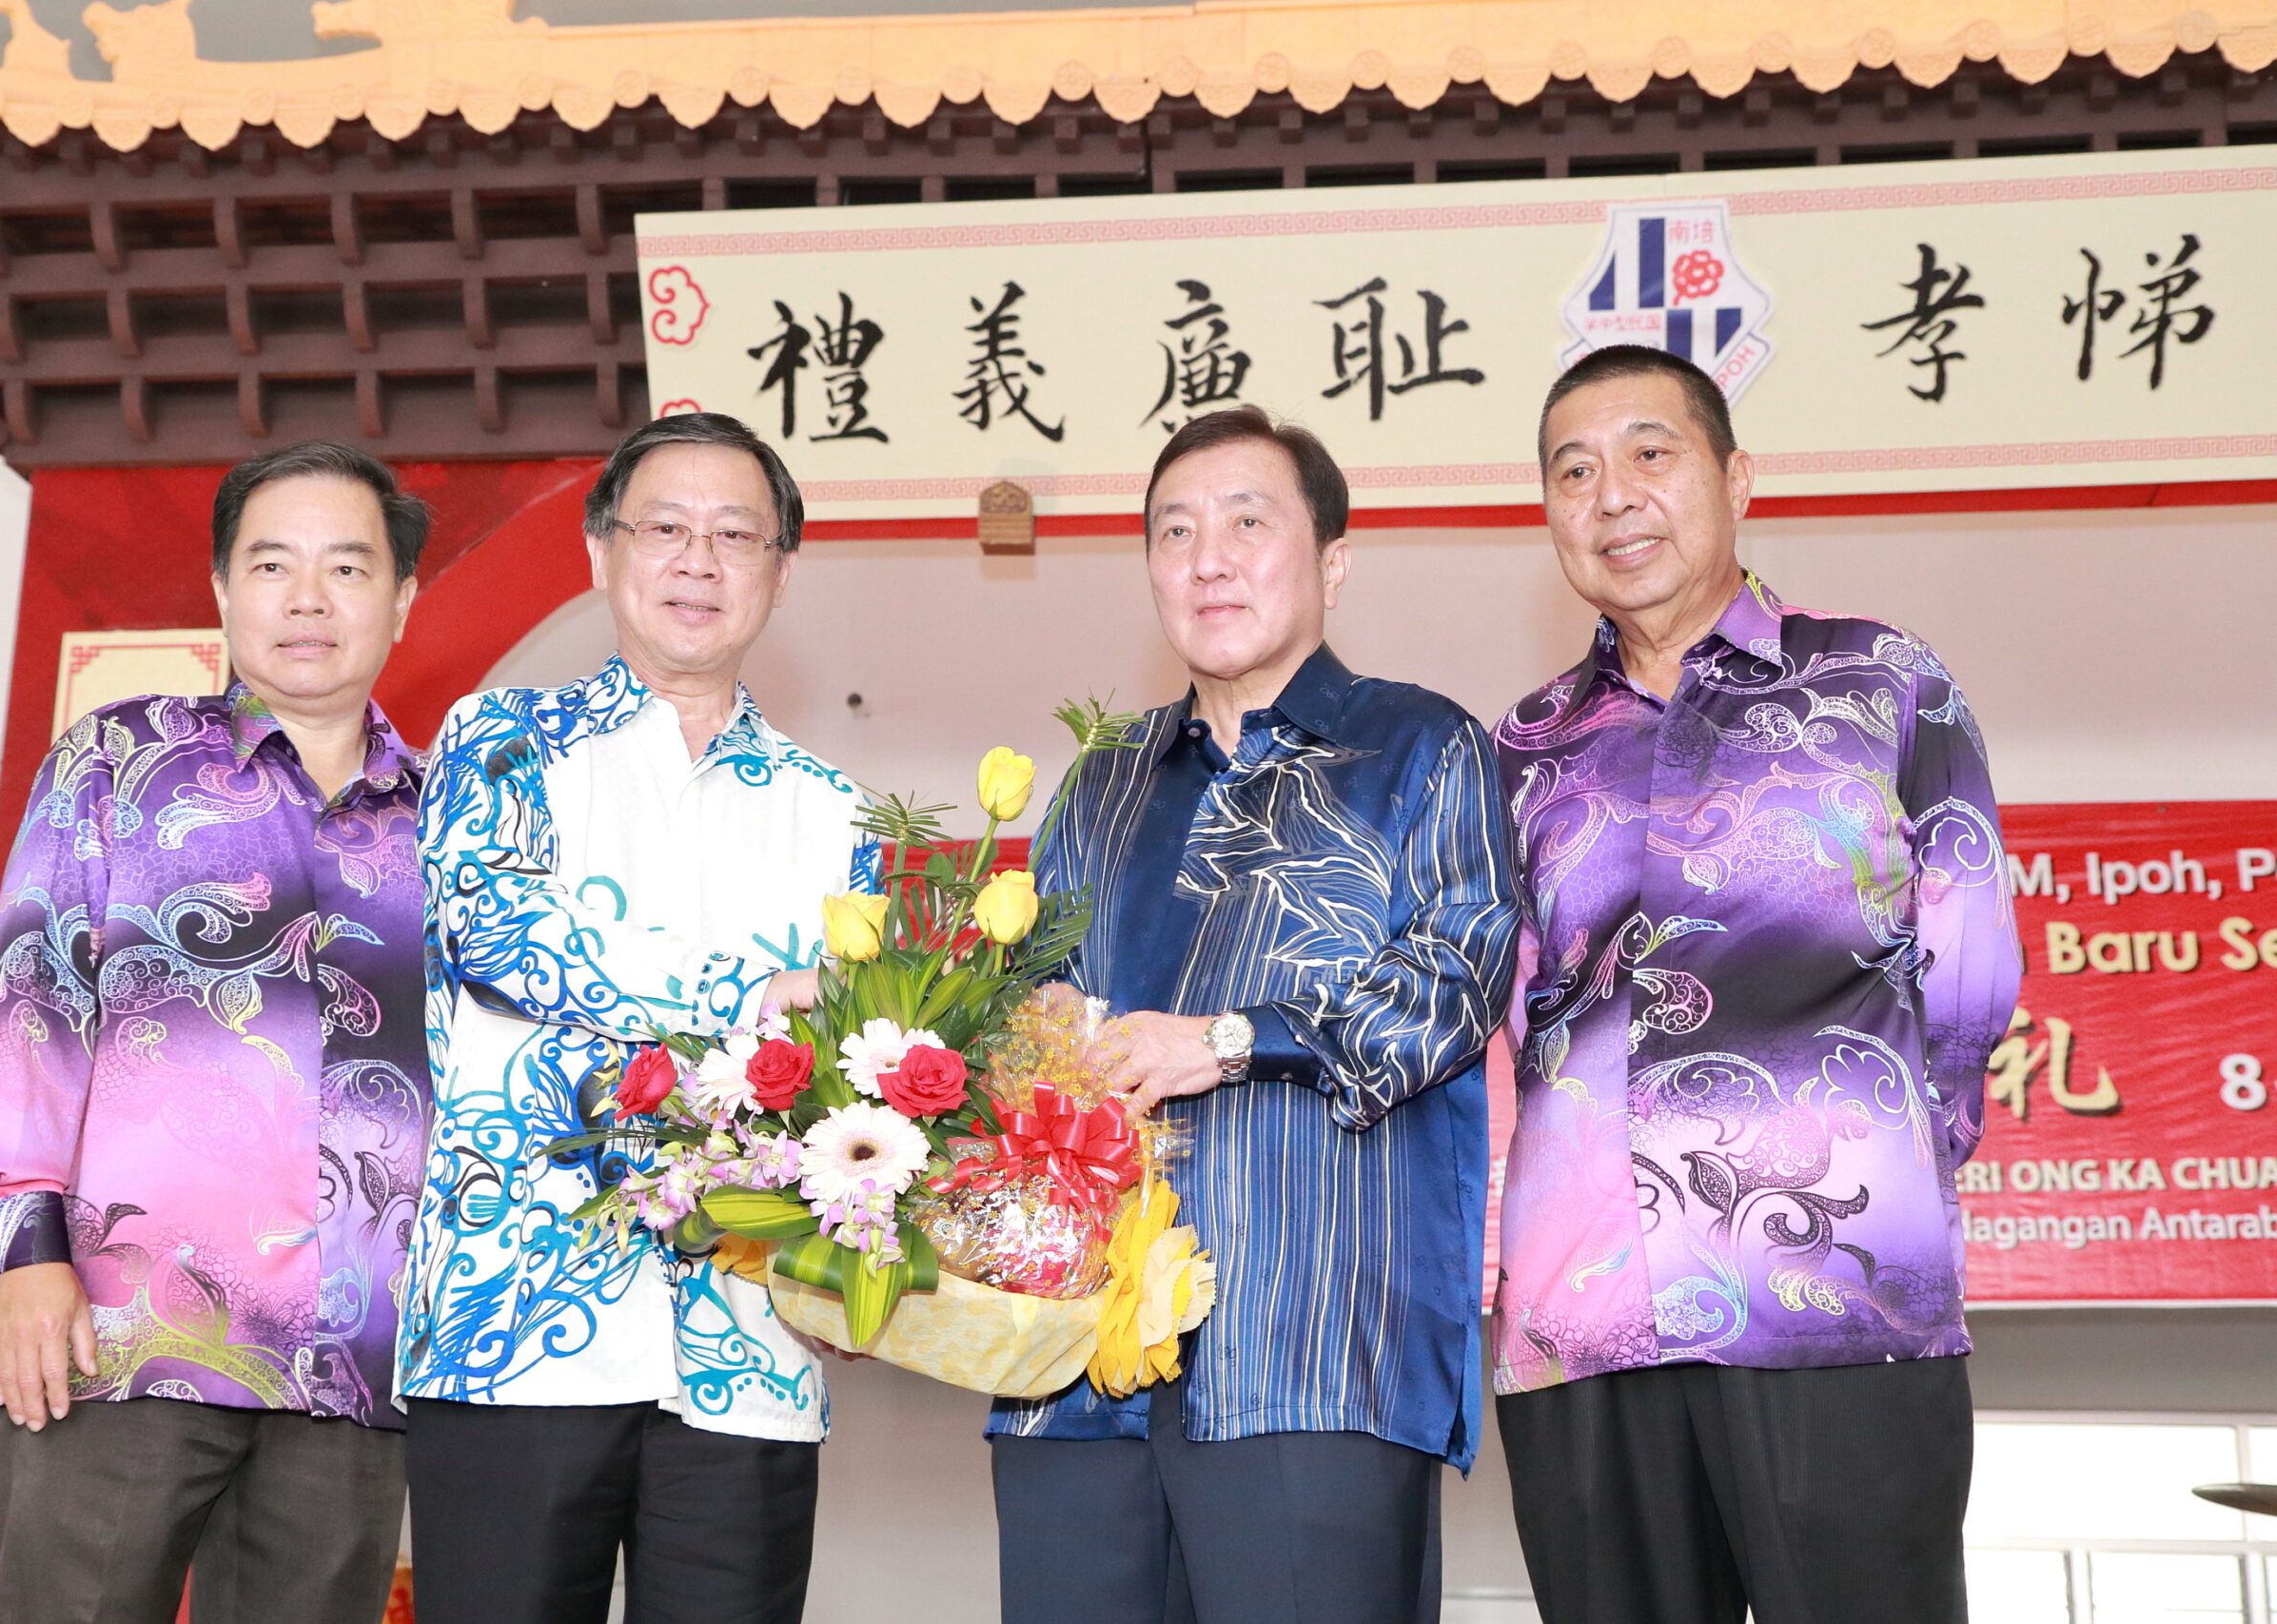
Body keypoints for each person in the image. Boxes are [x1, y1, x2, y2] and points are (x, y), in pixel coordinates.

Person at [1491, 343, 2021, 1624]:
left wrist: (1881, 1158)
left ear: (1736, 479)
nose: (1613, 496)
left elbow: (1969, 961)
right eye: (1574, 470)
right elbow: (1508, 1005)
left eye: (1649, 453)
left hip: (1836, 1282)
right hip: (1584, 1310)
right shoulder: (1522, 748)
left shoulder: (1880, 680)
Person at [989, 405, 1521, 1624]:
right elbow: (1021, 1007)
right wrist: (1031, 1036)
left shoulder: (1420, 746)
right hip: (1071, 1362)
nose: (1207, 559)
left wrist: (1227, 1043)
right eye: (1173, 532)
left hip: (1311, 1344)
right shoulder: (1100, 779)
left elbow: (1453, 981)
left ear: (1332, 562)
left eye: (1245, 522)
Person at [396, 412, 872, 1624]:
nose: (698, 561)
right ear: (601, 552)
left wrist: (862, 1253)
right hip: (514, 1323)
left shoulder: (836, 813)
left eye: (735, 535)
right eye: (665, 528)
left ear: (780, 571)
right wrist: (752, 998)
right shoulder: (498, 741)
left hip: (750, 1349)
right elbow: (501, 938)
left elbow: (854, 1075)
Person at [0, 440, 432, 1624]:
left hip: (356, 1361)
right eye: (271, 565)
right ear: (222, 589)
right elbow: (33, 1007)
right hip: (120, 1335)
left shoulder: (450, 815)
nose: (308, 598)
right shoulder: (121, 761)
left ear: (402, 599)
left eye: (347, 567)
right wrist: (26, 1256)